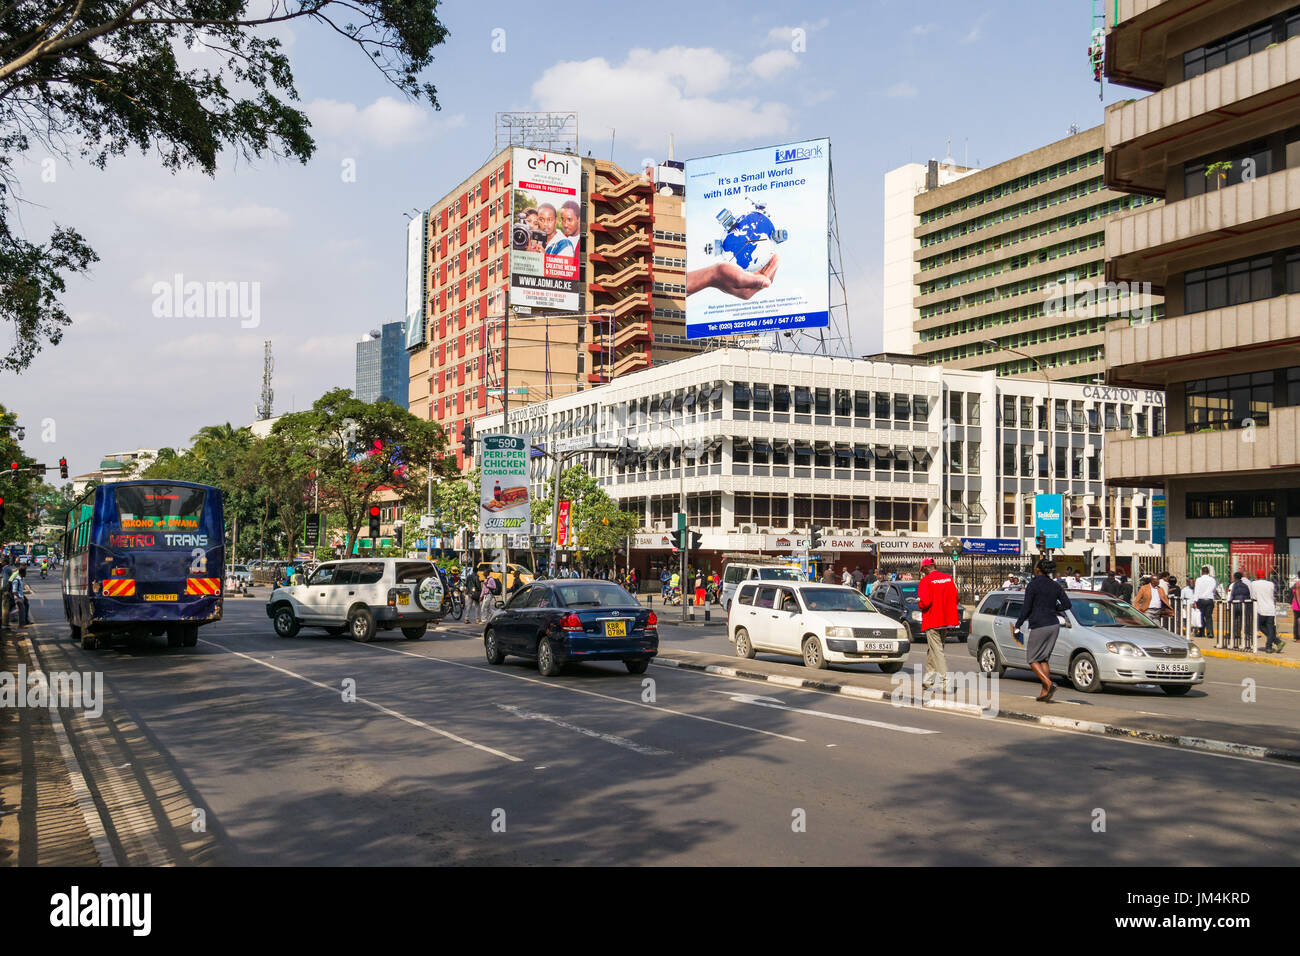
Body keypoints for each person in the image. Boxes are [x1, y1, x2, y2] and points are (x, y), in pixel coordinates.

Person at [1015, 558, 1071, 702]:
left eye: (1035, 567)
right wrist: (1053, 609)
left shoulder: (1033, 585)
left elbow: (1026, 608)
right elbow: (1067, 604)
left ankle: (1049, 684)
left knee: (1032, 659)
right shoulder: (1056, 585)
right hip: (1054, 624)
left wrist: (1018, 624)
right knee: (1043, 659)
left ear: (1038, 570)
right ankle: (1045, 692)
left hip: (1039, 624)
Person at [917, 556, 958, 692]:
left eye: (922, 570)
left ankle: (946, 681)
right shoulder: (948, 578)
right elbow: (956, 598)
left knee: (937, 651)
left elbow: (925, 602)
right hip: (946, 620)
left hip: (933, 620)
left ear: (926, 568)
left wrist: (919, 603)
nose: (922, 573)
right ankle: (929, 679)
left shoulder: (925, 580)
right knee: (933, 650)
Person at [1251, 571, 1282, 653]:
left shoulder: (1254, 583)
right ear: (1265, 576)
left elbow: (1253, 596)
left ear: (1257, 576)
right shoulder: (1271, 584)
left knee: (1260, 626)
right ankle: (1271, 645)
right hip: (1271, 608)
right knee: (1270, 628)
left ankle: (1276, 642)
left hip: (1261, 609)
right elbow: (1273, 594)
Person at [1192, 565, 1218, 643]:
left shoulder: (1199, 580)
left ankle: (1202, 632)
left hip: (1201, 600)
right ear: (1208, 572)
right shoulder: (1212, 580)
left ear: (1202, 572)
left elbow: (1196, 590)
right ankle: (1210, 632)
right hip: (1209, 600)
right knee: (1209, 616)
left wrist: (1195, 601)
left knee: (1201, 616)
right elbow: (1214, 590)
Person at [1229, 571, 1253, 647]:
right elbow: (1248, 594)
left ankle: (1236, 634)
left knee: (1235, 619)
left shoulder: (1234, 585)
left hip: (1236, 604)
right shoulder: (1245, 585)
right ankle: (1247, 634)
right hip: (1245, 604)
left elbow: (1232, 595)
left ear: (1235, 577)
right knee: (1245, 620)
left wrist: (1230, 603)